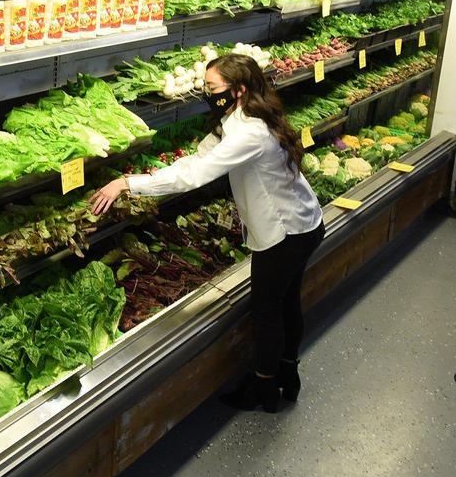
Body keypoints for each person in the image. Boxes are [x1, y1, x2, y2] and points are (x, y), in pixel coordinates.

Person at [90, 53, 324, 413]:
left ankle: (263, 388)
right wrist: (147, 178)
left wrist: (126, 183)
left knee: (267, 311)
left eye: (212, 88)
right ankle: (286, 376)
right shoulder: (240, 118)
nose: (206, 93)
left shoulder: (248, 134)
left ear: (239, 90)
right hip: (304, 222)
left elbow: (194, 176)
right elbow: (196, 159)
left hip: (285, 233)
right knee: (286, 303)